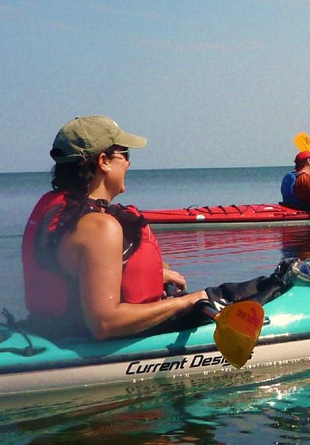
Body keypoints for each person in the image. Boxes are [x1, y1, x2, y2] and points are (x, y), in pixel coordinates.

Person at [22, 115, 208, 339]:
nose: (128, 163)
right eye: (125, 154)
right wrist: (190, 301)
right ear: (104, 161)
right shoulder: (99, 227)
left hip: (54, 330)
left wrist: (152, 275)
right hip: (90, 343)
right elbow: (105, 323)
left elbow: (75, 276)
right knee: (235, 294)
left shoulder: (58, 212)